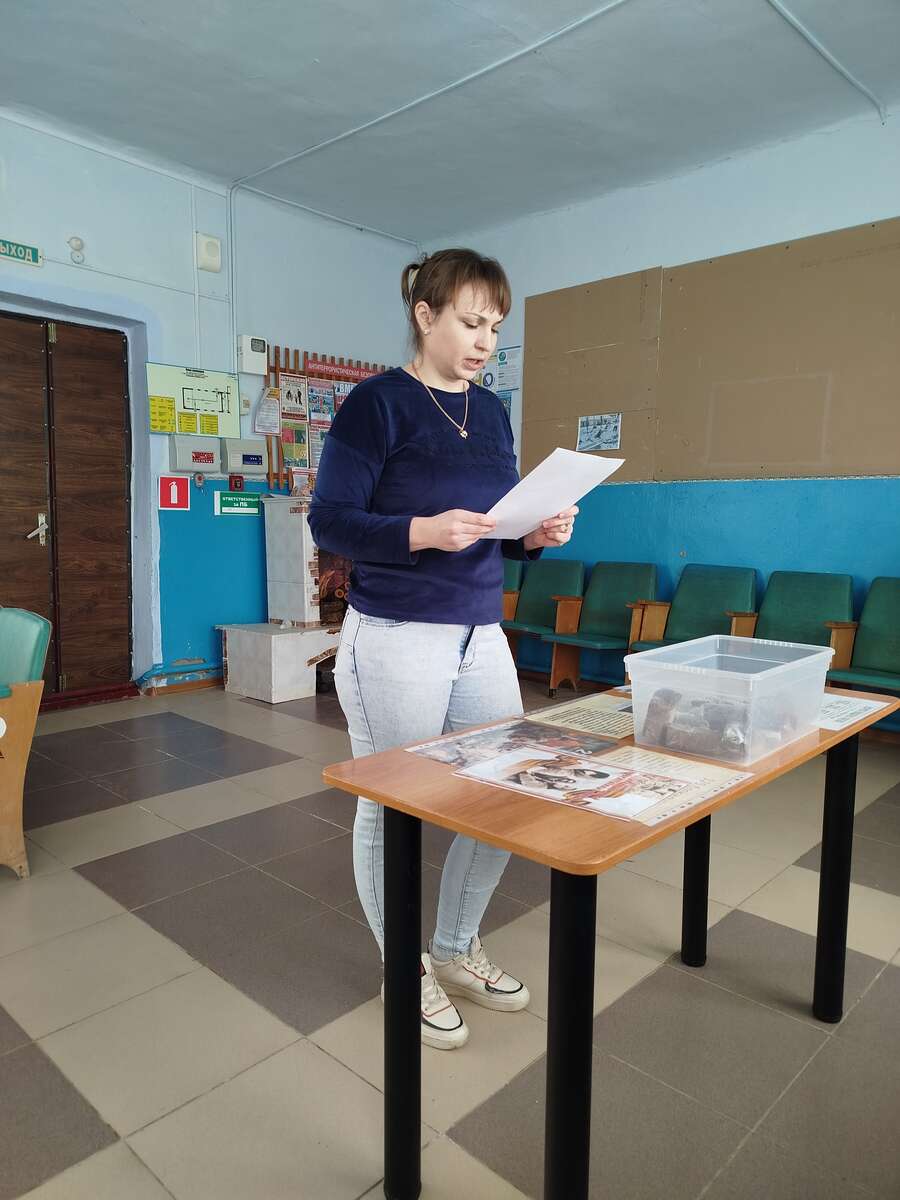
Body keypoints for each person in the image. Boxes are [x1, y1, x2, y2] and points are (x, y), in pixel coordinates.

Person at [308, 248, 577, 1050]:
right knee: (393, 805)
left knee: (506, 794)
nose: (485, 341)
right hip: (395, 633)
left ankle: (455, 949)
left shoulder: (491, 412)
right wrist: (420, 532)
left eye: (495, 327)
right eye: (470, 322)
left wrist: (534, 536)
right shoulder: (376, 404)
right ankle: (404, 968)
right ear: (425, 316)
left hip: (479, 630)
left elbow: (496, 528)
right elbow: (330, 520)